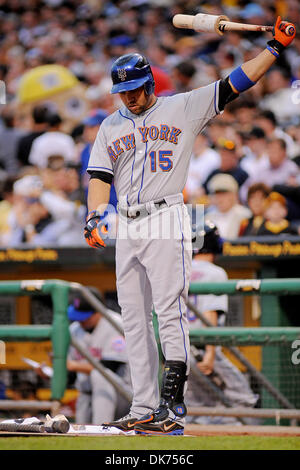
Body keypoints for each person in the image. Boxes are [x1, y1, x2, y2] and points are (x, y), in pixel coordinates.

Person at [83, 17, 296, 436]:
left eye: (132, 90)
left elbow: (236, 82)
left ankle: (171, 405)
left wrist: (274, 49)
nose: (127, 98)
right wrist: (94, 214)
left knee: (168, 310)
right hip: (126, 223)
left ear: (149, 83)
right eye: (121, 92)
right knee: (131, 317)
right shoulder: (110, 125)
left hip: (165, 215)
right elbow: (99, 179)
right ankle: (143, 406)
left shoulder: (182, 106)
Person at [186, 222, 258, 424]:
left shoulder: (180, 270)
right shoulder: (215, 272)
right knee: (244, 399)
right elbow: (210, 313)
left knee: (196, 407)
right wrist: (210, 353)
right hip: (204, 350)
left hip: (181, 351)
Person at [67, 289, 131, 425]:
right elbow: (71, 375)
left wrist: (74, 366)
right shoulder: (74, 329)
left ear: (99, 311)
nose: (81, 321)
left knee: (100, 377)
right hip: (87, 394)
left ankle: (102, 430)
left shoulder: (115, 323)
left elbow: (110, 368)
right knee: (81, 431)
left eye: (85, 317)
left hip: (122, 394)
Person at [206, 173, 251, 240]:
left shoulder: (245, 215)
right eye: (217, 194)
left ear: (234, 195)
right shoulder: (208, 217)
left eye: (224, 194)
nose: (220, 198)